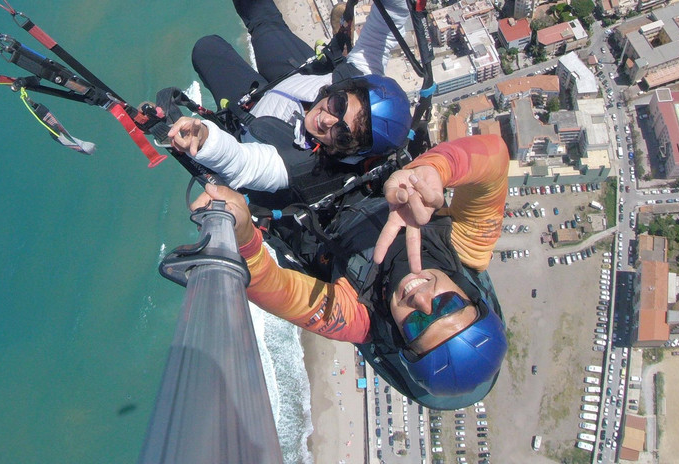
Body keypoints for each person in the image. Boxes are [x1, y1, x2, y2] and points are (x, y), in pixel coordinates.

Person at [191, 133, 510, 409]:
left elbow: (273, 287)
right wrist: (435, 169)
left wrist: (244, 235)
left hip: (302, 210)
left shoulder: (360, 318)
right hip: (360, 172)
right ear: (469, 296)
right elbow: (494, 157)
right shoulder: (467, 251)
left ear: (399, 338)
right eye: (446, 305)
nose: (422, 300)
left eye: (418, 324)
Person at [167, 0, 412, 208]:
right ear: (346, 89)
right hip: (296, 78)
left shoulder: (300, 166)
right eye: (339, 103)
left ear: (349, 152)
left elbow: (245, 164)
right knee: (264, 21)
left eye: (342, 135)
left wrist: (206, 139)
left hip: (256, 115)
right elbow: (384, 28)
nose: (327, 121)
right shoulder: (357, 77)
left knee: (206, 49)